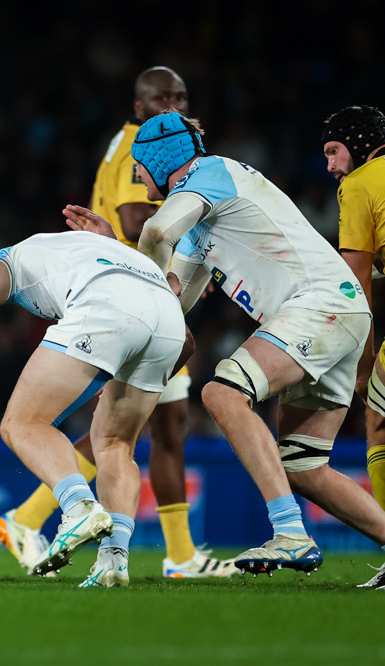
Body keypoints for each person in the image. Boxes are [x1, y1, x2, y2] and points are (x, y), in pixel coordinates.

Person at [66, 110, 385, 577]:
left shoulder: (210, 173)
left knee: (222, 393)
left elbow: (155, 233)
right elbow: (169, 303)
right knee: (302, 466)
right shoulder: (199, 220)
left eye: (140, 164)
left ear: (161, 160)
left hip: (320, 307)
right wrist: (114, 248)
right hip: (338, 315)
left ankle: (291, 534)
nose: (136, 175)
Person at [0, 66, 236, 579]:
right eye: (162, 97)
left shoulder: (139, 140)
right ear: (139, 105)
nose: (173, 105)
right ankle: (39, 520)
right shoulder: (141, 145)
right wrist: (184, 261)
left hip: (136, 297)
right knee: (128, 431)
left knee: (152, 427)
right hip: (132, 301)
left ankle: (41, 522)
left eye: (181, 96)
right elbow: (134, 220)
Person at [0, 231, 187, 588]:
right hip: (169, 318)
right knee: (116, 445)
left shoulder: (10, 260)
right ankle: (114, 559)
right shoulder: (84, 249)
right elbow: (182, 328)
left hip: (109, 302)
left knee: (22, 423)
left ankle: (79, 506)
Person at [321, 104, 385, 589]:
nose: (330, 166)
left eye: (333, 151)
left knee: (379, 424)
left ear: (360, 144)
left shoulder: (359, 184)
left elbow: (356, 284)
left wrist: (360, 369)